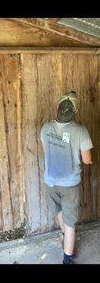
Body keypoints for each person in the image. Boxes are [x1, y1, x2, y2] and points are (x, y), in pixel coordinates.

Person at [40, 91, 93, 264]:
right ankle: (68, 258)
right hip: (70, 184)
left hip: (50, 182)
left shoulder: (45, 128)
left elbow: (47, 151)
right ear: (75, 111)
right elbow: (86, 160)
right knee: (71, 224)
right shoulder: (81, 130)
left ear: (57, 108)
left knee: (58, 212)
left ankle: (65, 237)